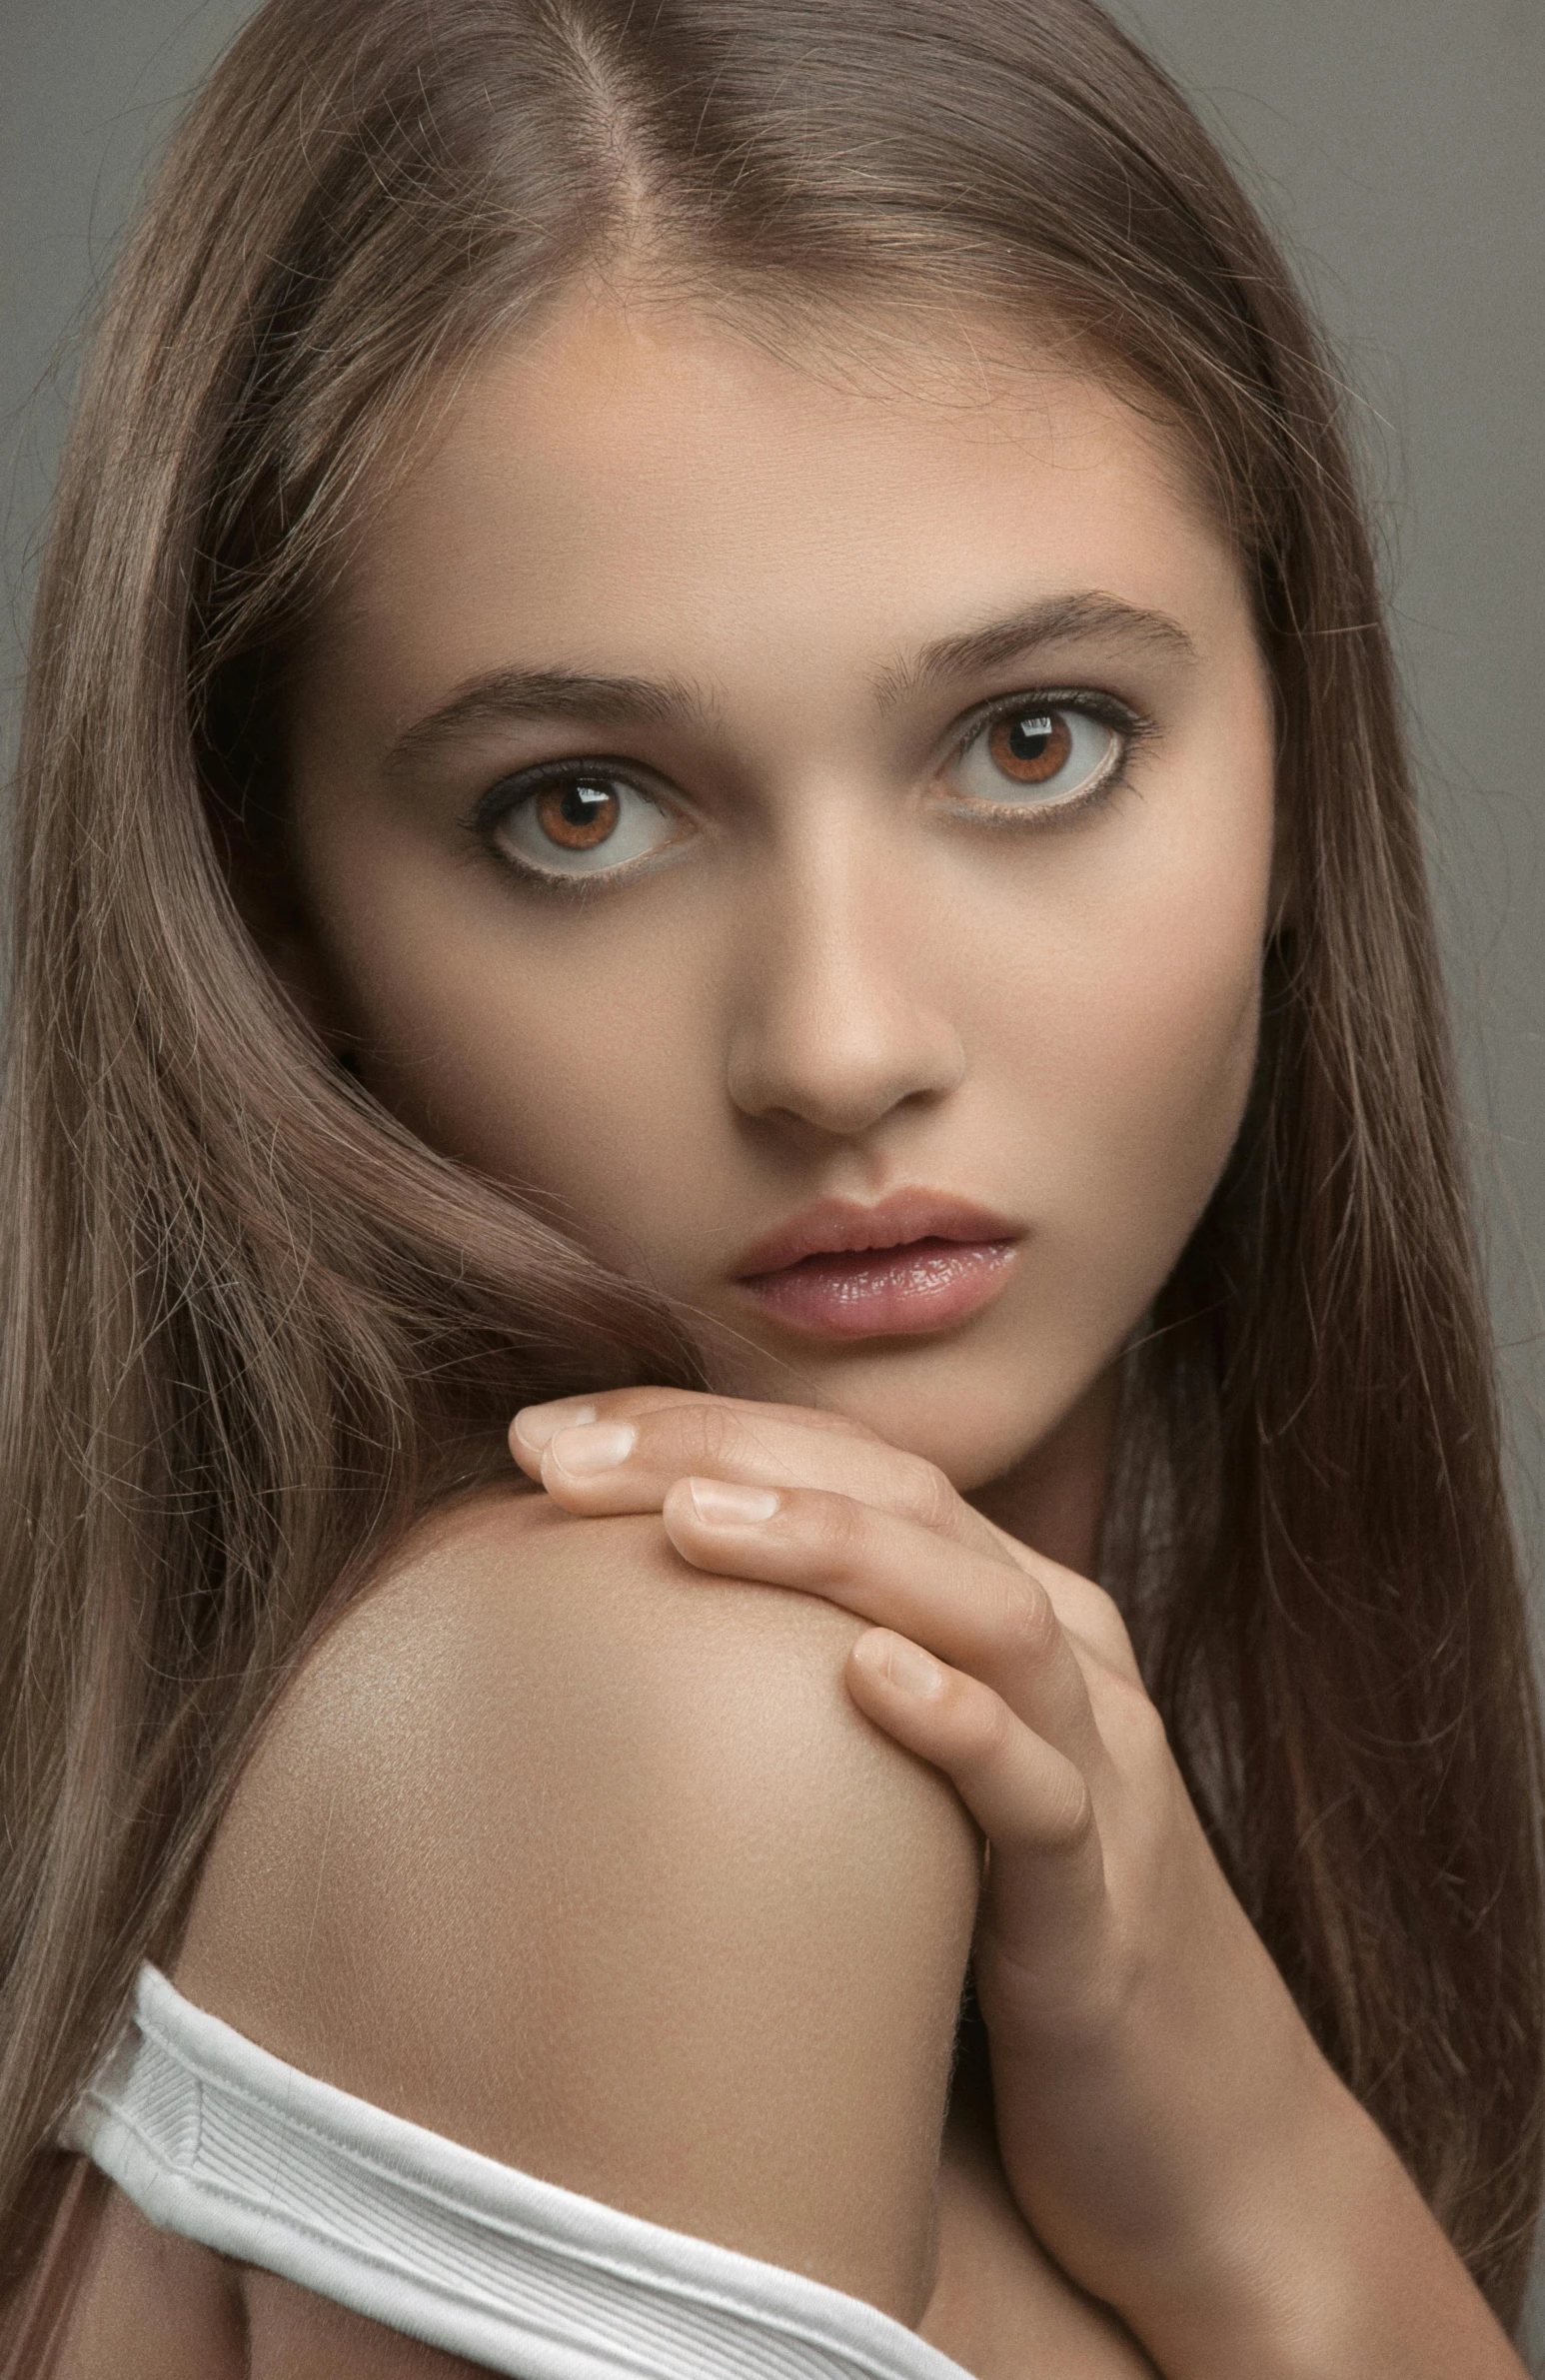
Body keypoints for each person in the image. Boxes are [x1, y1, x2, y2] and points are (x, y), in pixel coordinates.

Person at [0, 0, 1539, 2371]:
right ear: (272, 904)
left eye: (1033, 742)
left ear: (1296, 759)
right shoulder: (652, 1719)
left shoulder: (1082, 1921)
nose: (835, 1043)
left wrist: (1262, 2172)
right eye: (579, 806)